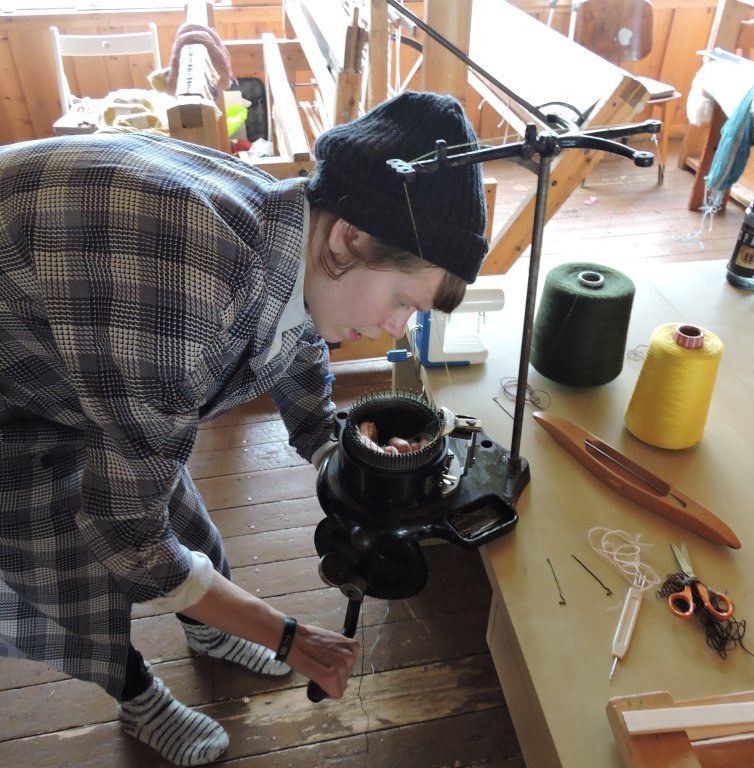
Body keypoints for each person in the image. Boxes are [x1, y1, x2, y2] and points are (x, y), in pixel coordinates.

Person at [0, 90, 487, 766]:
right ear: (348, 236)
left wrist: (334, 448)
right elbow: (126, 534)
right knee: (60, 557)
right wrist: (289, 635)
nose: (394, 329)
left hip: (70, 318)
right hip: (16, 375)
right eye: (402, 301)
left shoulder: (291, 223)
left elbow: (298, 334)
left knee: (163, 488)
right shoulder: (182, 303)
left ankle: (208, 625)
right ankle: (134, 692)